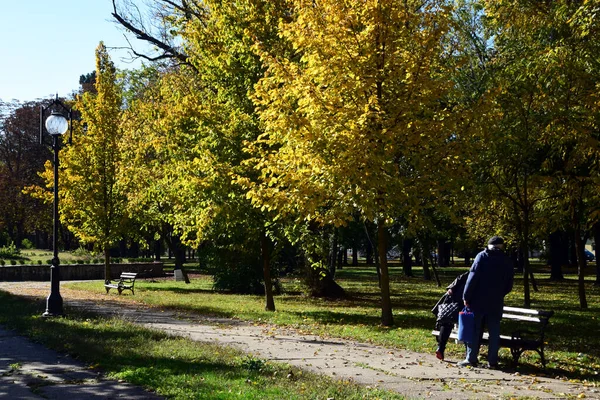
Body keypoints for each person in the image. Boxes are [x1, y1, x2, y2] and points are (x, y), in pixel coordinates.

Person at [458, 236, 514, 368]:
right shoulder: (506, 260)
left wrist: (466, 296)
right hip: (496, 301)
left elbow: (472, 277)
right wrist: (499, 294)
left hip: (478, 300)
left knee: (475, 330)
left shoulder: (482, 257)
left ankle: (471, 358)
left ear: (488, 246)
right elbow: (509, 284)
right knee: (494, 332)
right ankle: (492, 361)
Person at [432, 271, 469, 360]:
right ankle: (469, 353)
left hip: (457, 298)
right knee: (467, 324)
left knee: (447, 322)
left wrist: (451, 288)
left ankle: (440, 348)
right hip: (466, 300)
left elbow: (460, 277)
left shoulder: (471, 271)